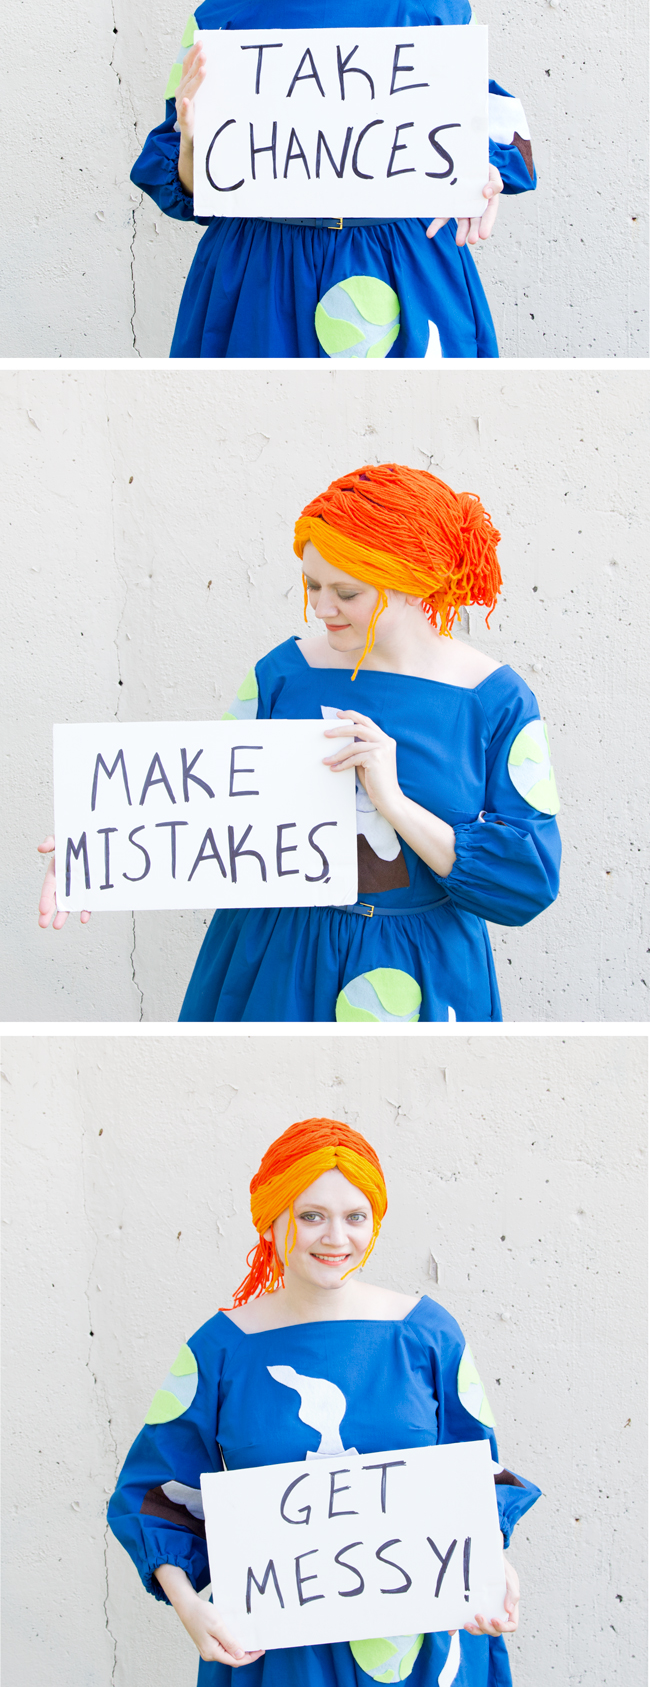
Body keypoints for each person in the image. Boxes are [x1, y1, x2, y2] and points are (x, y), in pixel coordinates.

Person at [37, 463, 561, 1023]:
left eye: (347, 592)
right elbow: (202, 803)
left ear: (414, 583)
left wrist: (395, 803)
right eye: (312, 585)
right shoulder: (282, 673)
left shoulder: (494, 699)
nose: (322, 608)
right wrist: (96, 850)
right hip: (274, 957)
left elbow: (524, 883)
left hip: (415, 974)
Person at [107, 1116, 541, 1686]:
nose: (336, 1238)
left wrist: (493, 1566)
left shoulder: (427, 1333)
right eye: (312, 1215)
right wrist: (192, 1609)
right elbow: (153, 1492)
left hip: (424, 1649)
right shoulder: (218, 1351)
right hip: (284, 1658)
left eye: (354, 1217)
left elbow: (474, 1473)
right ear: (272, 1220)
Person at [130, 0, 537, 358]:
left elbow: (497, 135)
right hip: (259, 277)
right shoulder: (217, 20)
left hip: (404, 269)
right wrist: (195, 140)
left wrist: (483, 173)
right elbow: (190, 187)